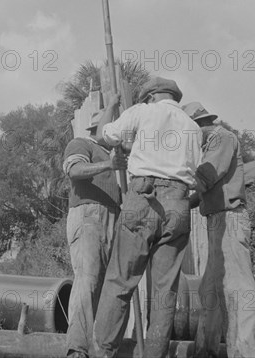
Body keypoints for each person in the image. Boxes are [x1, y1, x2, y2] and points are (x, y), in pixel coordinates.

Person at [92, 76, 201, 358]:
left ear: (151, 96)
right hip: (178, 201)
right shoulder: (192, 126)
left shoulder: (143, 111)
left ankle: (103, 352)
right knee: (165, 294)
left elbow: (106, 135)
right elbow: (192, 170)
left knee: (120, 281)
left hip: (143, 196)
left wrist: (113, 105)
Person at [182, 102, 255, 358]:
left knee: (238, 289)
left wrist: (175, 186)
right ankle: (206, 351)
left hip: (230, 219)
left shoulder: (222, 138)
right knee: (210, 291)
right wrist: (177, 204)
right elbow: (202, 193)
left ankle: (245, 352)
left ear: (198, 125)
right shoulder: (210, 143)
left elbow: (205, 178)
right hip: (216, 221)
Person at [63, 109, 126, 358]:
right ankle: (77, 349)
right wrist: (108, 165)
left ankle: (101, 350)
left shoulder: (113, 155)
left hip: (112, 217)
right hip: (89, 215)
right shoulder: (80, 143)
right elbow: (74, 171)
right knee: (87, 280)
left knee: (109, 286)